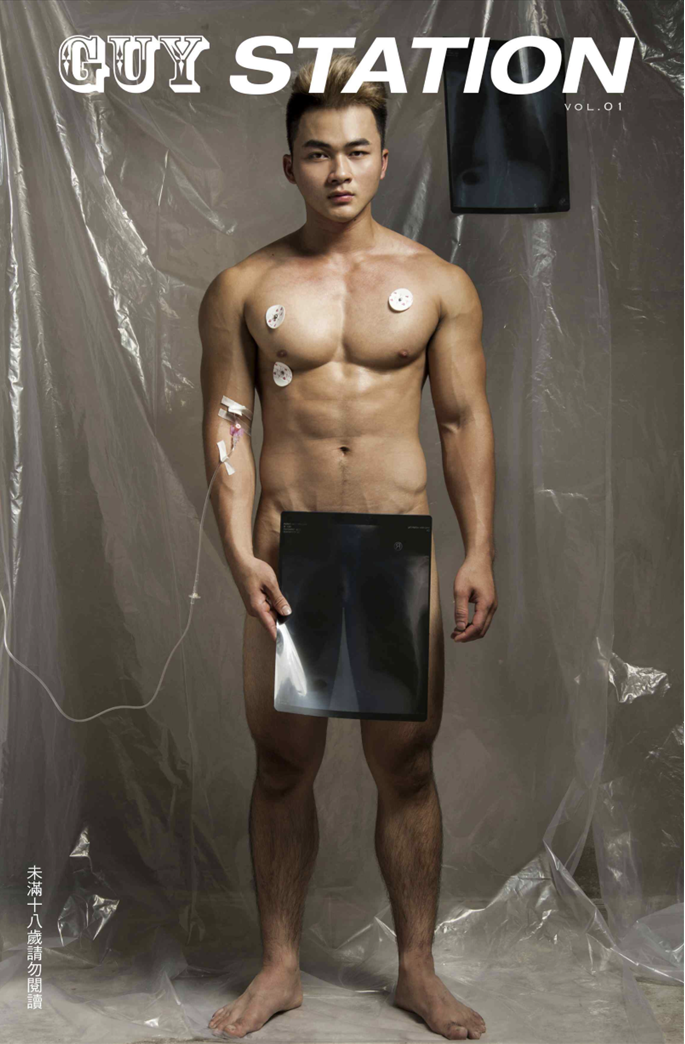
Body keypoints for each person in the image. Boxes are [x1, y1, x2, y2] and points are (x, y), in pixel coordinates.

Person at [200, 55, 496, 1042]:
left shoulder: (438, 283)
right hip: (288, 546)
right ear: (289, 163)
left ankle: (415, 971)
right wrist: (238, 550)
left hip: (394, 541)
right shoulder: (244, 285)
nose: (339, 170)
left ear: (382, 160)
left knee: (403, 764)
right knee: (281, 763)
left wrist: (479, 550)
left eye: (357, 151)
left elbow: (460, 419)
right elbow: (228, 423)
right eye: (319, 152)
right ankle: (280, 968)